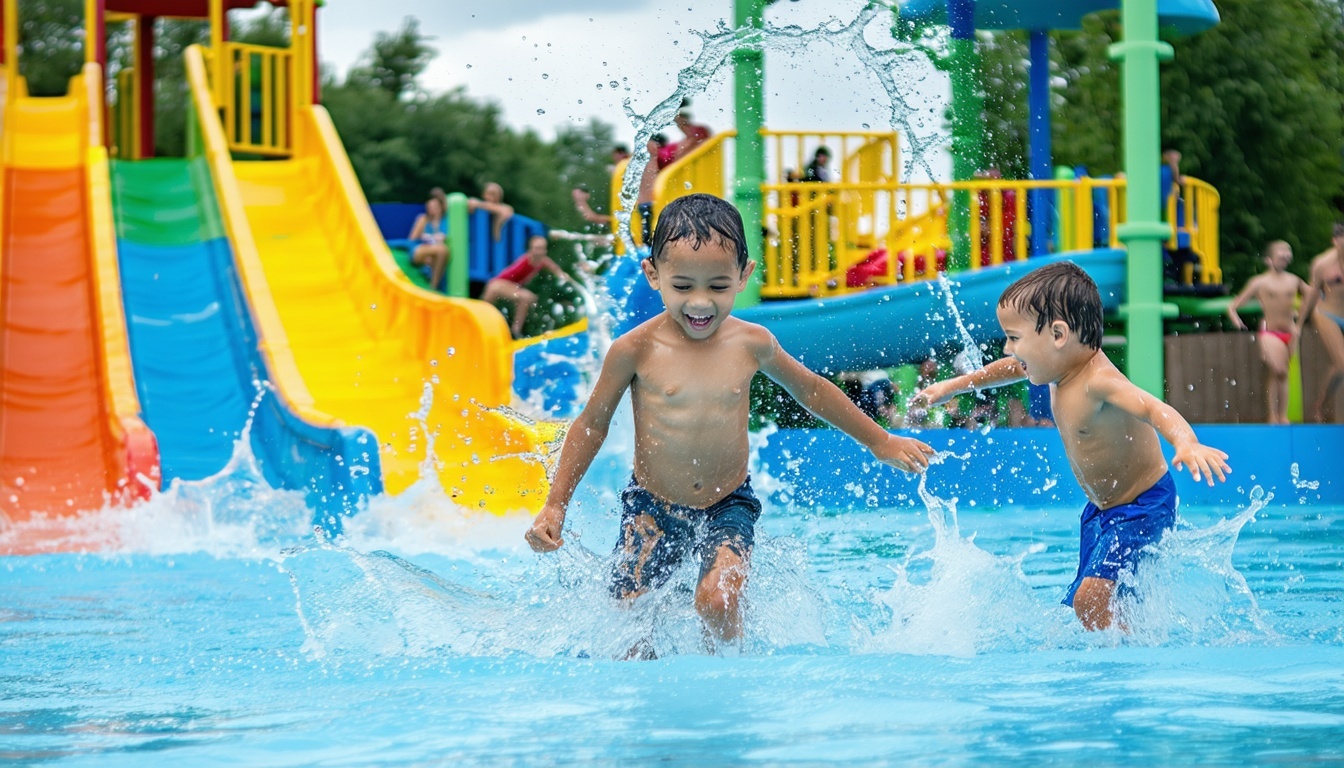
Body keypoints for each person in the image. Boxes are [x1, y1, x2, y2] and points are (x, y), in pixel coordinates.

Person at [525, 193, 934, 651]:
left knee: (718, 600)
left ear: (744, 275)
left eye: (718, 286)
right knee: (628, 621)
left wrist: (878, 441)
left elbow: (812, 390)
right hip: (651, 505)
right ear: (653, 275)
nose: (700, 303)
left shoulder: (752, 343)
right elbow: (592, 424)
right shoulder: (634, 349)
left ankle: (727, 673)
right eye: (683, 286)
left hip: (728, 503)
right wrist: (556, 503)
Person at [912, 261, 1231, 631]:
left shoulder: (1099, 381)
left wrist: (1186, 442)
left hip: (1143, 504)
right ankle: (1129, 645)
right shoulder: (1054, 368)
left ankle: (1121, 665)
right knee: (1090, 604)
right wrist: (949, 388)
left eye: (1015, 338)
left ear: (1058, 334)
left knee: (1090, 599)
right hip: (1101, 510)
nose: (1008, 347)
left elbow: (1151, 407)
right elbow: (1006, 368)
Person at [1227, 241, 1315, 424]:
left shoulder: (1294, 280)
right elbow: (1232, 306)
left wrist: (1300, 320)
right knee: (1279, 368)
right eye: (1280, 252)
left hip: (1290, 332)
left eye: (1287, 252)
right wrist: (1237, 321)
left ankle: (1280, 415)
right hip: (1270, 332)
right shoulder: (1259, 282)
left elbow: (1312, 295)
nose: (1285, 255)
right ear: (1268, 259)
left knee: (1281, 374)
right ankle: (1272, 415)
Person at [480, 234, 576, 338]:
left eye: (542, 249)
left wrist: (572, 282)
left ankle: (516, 329)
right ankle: (515, 331)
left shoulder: (543, 261)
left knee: (529, 299)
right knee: (526, 297)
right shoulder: (528, 259)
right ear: (531, 249)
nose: (539, 252)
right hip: (497, 285)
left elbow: (558, 272)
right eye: (536, 248)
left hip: (507, 285)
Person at [1302, 223, 1344, 422]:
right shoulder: (1322, 263)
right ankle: (1321, 405)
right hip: (1327, 314)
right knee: (1342, 364)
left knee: (1339, 366)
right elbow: (1312, 292)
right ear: (1335, 240)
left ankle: (1321, 403)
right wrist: (1299, 323)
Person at [1159, 149, 1199, 285]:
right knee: (1177, 255)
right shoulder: (1164, 177)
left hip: (1173, 235)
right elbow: (1176, 178)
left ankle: (1181, 280)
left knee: (1186, 255)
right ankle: (1173, 279)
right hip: (1167, 233)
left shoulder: (1178, 204)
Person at [407, 192, 450, 291]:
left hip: (435, 254)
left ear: (441, 207)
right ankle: (433, 287)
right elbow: (411, 241)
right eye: (430, 207)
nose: (432, 209)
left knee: (442, 250)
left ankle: (433, 286)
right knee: (442, 249)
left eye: (435, 207)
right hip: (420, 250)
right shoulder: (423, 219)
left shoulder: (445, 222)